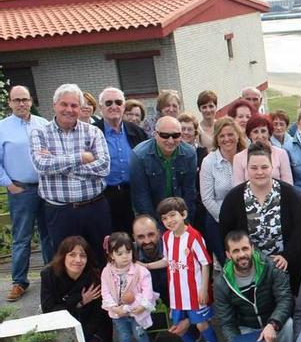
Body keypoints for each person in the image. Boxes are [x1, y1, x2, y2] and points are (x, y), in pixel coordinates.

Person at [31, 83, 111, 263]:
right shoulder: (39, 133)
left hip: (94, 208)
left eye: (74, 105)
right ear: (54, 105)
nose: (69, 109)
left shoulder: (93, 132)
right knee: (65, 263)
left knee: (101, 258)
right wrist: (82, 157)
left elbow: (104, 167)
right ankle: (72, 293)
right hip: (60, 212)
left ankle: (102, 291)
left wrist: (58, 163)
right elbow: (41, 165)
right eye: (64, 104)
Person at [143, 197, 224, 342]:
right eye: (164, 218)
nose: (169, 221)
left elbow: (205, 263)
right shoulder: (165, 237)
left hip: (195, 292)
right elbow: (167, 260)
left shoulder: (194, 237)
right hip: (176, 294)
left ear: (184, 214)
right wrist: (147, 266)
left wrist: (203, 288)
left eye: (173, 215)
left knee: (202, 325)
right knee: (177, 325)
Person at [219, 145, 301, 285]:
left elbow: (300, 226)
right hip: (248, 268)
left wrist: (287, 256)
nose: (259, 172)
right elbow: (225, 232)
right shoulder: (234, 197)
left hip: (285, 266)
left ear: (272, 167)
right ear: (247, 169)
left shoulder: (288, 193)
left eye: (264, 167)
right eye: (254, 168)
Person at [214, 230, 294, 342]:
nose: (242, 254)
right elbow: (227, 322)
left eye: (245, 248)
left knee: (289, 325)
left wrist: (273, 324)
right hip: (247, 327)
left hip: (273, 322)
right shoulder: (221, 283)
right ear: (228, 255)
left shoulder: (271, 266)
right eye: (236, 251)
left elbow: (285, 299)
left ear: (252, 248)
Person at [1, 85, 52, 302]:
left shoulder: (44, 125)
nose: (21, 103)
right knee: (22, 238)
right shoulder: (2, 128)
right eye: (17, 100)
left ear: (31, 101)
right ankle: (19, 282)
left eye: (25, 99)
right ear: (10, 103)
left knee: (49, 235)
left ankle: (51, 276)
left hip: (46, 187)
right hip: (21, 190)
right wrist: (9, 185)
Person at [40, 236, 111, 342]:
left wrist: (82, 338)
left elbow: (98, 316)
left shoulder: (94, 278)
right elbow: (49, 310)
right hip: (61, 326)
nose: (78, 260)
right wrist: (80, 301)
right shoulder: (49, 275)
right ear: (63, 257)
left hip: (90, 328)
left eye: (83, 256)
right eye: (72, 255)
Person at [94, 86, 148, 234]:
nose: (114, 106)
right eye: (108, 103)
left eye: (118, 102)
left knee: (136, 237)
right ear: (101, 108)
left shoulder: (137, 132)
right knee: (109, 240)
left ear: (124, 106)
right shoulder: (91, 133)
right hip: (104, 196)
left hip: (133, 195)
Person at [129, 116, 198, 220]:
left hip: (179, 213)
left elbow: (189, 191)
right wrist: (156, 226)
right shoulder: (139, 155)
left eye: (175, 135)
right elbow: (141, 196)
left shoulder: (190, 153)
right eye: (165, 135)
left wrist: (185, 221)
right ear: (155, 134)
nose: (170, 141)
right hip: (152, 212)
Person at [101, 232, 155, 342]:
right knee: (123, 335)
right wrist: (114, 307)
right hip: (119, 311)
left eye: (128, 252)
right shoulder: (107, 272)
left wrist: (143, 305)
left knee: (140, 333)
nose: (125, 256)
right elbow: (106, 291)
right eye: (120, 253)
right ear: (111, 255)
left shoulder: (140, 270)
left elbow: (148, 290)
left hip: (136, 310)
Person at [200, 117, 246, 262]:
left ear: (238, 135)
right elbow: (207, 198)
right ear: (216, 139)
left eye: (230, 134)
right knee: (229, 264)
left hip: (247, 219)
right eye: (222, 136)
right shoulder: (209, 162)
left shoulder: (247, 157)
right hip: (218, 221)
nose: (227, 139)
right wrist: (227, 219)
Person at [232, 115, 293, 185]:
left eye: (263, 131)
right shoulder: (239, 158)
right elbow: (238, 187)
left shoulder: (281, 154)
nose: (260, 136)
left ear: (269, 133)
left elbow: (288, 184)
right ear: (249, 135)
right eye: (255, 132)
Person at [132, 214, 168, 304]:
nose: (147, 241)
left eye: (151, 235)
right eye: (141, 237)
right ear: (134, 238)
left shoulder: (171, 246)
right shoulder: (129, 254)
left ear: (159, 233)